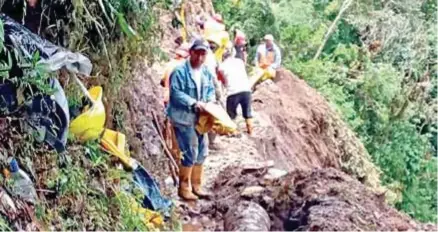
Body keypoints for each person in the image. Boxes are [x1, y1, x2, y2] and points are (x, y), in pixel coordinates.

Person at [167, 39, 216, 201]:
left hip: (200, 118)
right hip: (184, 118)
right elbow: (175, 93)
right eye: (198, 53)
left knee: (202, 150)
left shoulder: (206, 72)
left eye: (204, 54)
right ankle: (184, 187)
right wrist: (193, 103)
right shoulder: (180, 71)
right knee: (190, 151)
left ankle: (197, 185)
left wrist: (209, 102)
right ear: (191, 52)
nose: (201, 58)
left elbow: (210, 89)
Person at [218, 48, 253, 135]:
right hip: (246, 90)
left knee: (231, 115)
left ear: (223, 57)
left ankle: (233, 131)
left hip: (233, 92)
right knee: (247, 112)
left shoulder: (221, 67)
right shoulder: (240, 62)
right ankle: (250, 131)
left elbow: (223, 81)